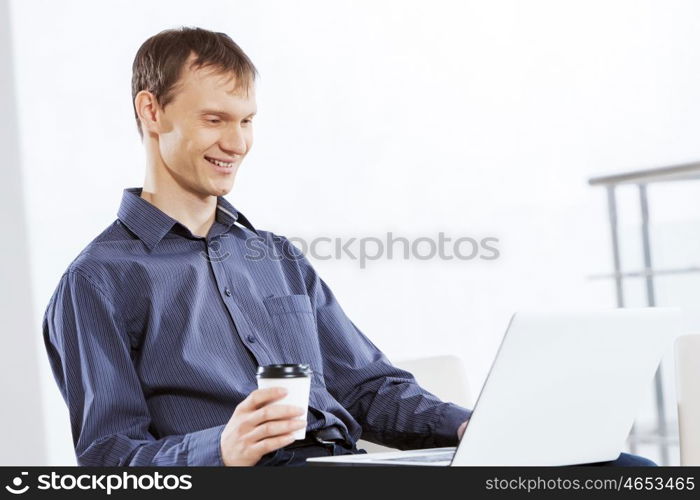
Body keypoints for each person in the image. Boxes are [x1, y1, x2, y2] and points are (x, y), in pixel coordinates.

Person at [42, 27, 654, 467]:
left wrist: (473, 426)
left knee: (625, 473)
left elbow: (366, 389)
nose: (238, 142)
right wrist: (219, 450)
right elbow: (107, 459)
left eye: (247, 120)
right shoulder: (97, 280)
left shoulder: (275, 256)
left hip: (345, 465)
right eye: (214, 119)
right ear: (152, 111)